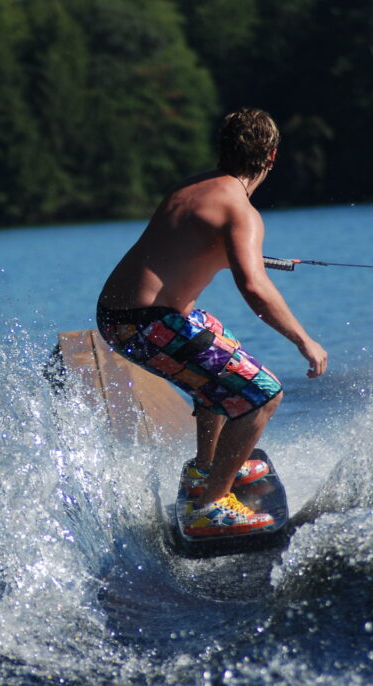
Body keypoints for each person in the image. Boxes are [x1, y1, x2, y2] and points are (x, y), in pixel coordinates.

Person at [96, 108, 327, 537]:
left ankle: (205, 469)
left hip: (122, 315)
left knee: (225, 357)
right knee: (263, 393)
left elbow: (191, 247)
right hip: (147, 323)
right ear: (272, 157)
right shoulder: (241, 212)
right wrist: (304, 340)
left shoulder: (192, 186)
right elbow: (254, 289)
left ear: (222, 149)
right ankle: (213, 505)